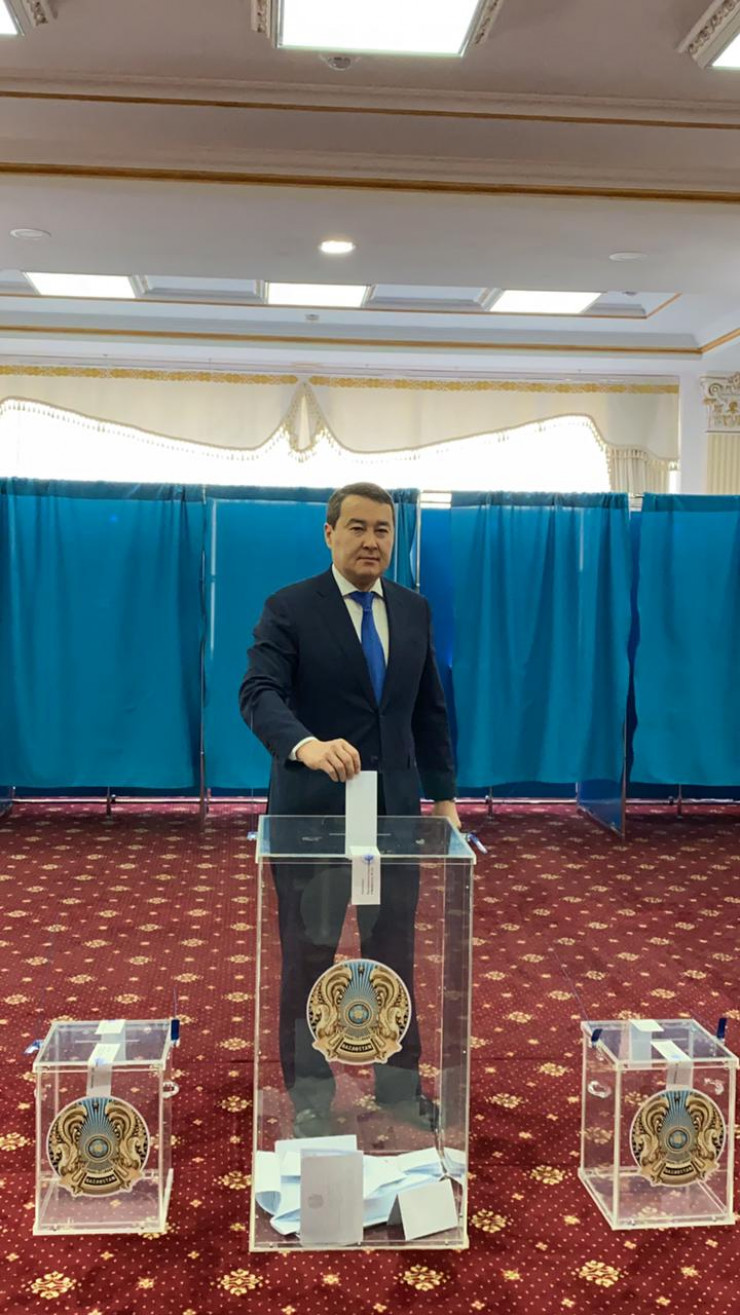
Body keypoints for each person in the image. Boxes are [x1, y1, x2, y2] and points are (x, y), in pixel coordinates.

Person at [239, 482, 459, 1135]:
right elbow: (258, 692)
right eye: (357, 527)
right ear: (329, 533)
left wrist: (445, 797)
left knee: (393, 949)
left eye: (382, 530)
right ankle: (310, 1095)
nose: (370, 541)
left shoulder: (413, 609)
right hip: (312, 818)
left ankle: (398, 1085)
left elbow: (428, 711)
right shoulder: (289, 607)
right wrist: (305, 745)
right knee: (309, 952)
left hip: (393, 817)